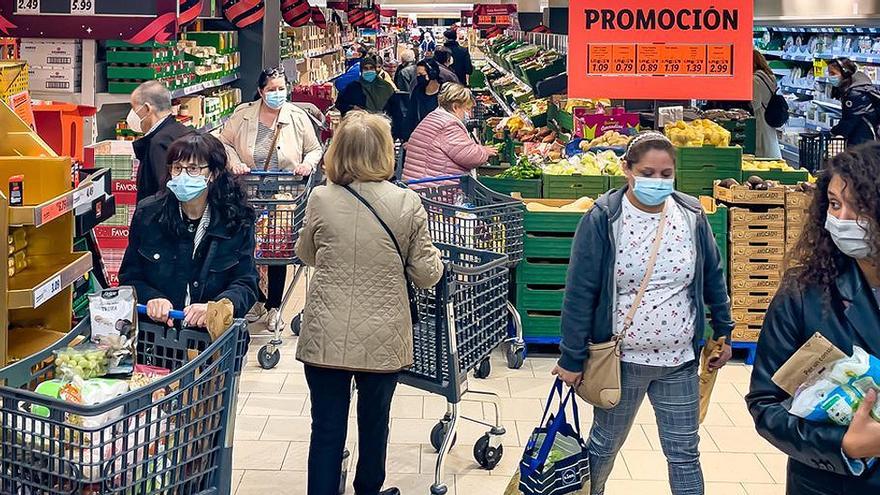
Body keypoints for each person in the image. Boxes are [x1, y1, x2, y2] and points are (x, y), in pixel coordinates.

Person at [552, 132, 735, 495]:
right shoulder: (605, 218)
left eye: (666, 174)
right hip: (620, 362)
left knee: (684, 454)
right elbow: (579, 293)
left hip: (679, 360)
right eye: (648, 172)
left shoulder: (692, 215)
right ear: (627, 169)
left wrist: (723, 331)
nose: (658, 181)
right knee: (603, 448)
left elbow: (713, 276)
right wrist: (572, 358)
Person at [295, 111, 442, 495]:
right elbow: (426, 274)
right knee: (375, 423)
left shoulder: (320, 198)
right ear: (385, 153)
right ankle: (368, 489)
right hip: (383, 335)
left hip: (326, 333)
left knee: (325, 427)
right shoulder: (407, 202)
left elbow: (306, 254)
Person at [747, 143, 880, 494]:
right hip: (832, 483)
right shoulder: (805, 295)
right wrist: (844, 446)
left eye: (861, 206)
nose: (842, 219)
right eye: (835, 204)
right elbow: (767, 404)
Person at [119, 132, 259, 327]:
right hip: (160, 339)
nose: (183, 176)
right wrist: (152, 298)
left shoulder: (236, 219)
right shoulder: (149, 215)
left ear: (213, 173)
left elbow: (246, 282)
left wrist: (218, 307)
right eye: (177, 168)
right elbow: (130, 276)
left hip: (214, 339)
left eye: (193, 169)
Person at [220, 66, 322, 331]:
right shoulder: (243, 115)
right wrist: (234, 162)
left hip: (284, 196)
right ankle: (256, 297)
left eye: (281, 89)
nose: (277, 94)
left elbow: (314, 149)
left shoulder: (297, 117)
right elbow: (224, 143)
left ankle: (274, 306)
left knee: (278, 250)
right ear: (260, 91)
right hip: (249, 194)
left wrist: (307, 165)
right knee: (248, 248)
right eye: (271, 90)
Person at [402, 83, 498, 180]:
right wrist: (484, 151)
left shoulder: (435, 117)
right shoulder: (448, 125)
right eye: (467, 109)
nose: (469, 114)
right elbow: (469, 156)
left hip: (420, 182)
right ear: (455, 107)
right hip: (434, 188)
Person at [129, 81, 192, 203]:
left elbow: (162, 191)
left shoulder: (159, 143)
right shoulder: (182, 131)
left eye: (133, 108)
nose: (132, 115)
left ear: (147, 108)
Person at [829, 57, 880, 146]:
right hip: (862, 136)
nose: (830, 77)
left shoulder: (855, 93)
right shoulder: (858, 88)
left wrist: (833, 132)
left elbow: (850, 120)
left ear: (845, 73)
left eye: (833, 73)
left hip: (863, 139)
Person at [752, 49, 783, 159]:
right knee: (771, 144)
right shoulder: (769, 76)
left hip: (761, 117)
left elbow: (755, 104)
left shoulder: (755, 79)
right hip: (769, 114)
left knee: (763, 148)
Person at [402, 59, 442, 140]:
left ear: (432, 74)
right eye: (417, 74)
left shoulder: (444, 92)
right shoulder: (417, 91)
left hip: (438, 137)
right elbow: (411, 115)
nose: (418, 77)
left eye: (421, 74)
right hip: (420, 137)